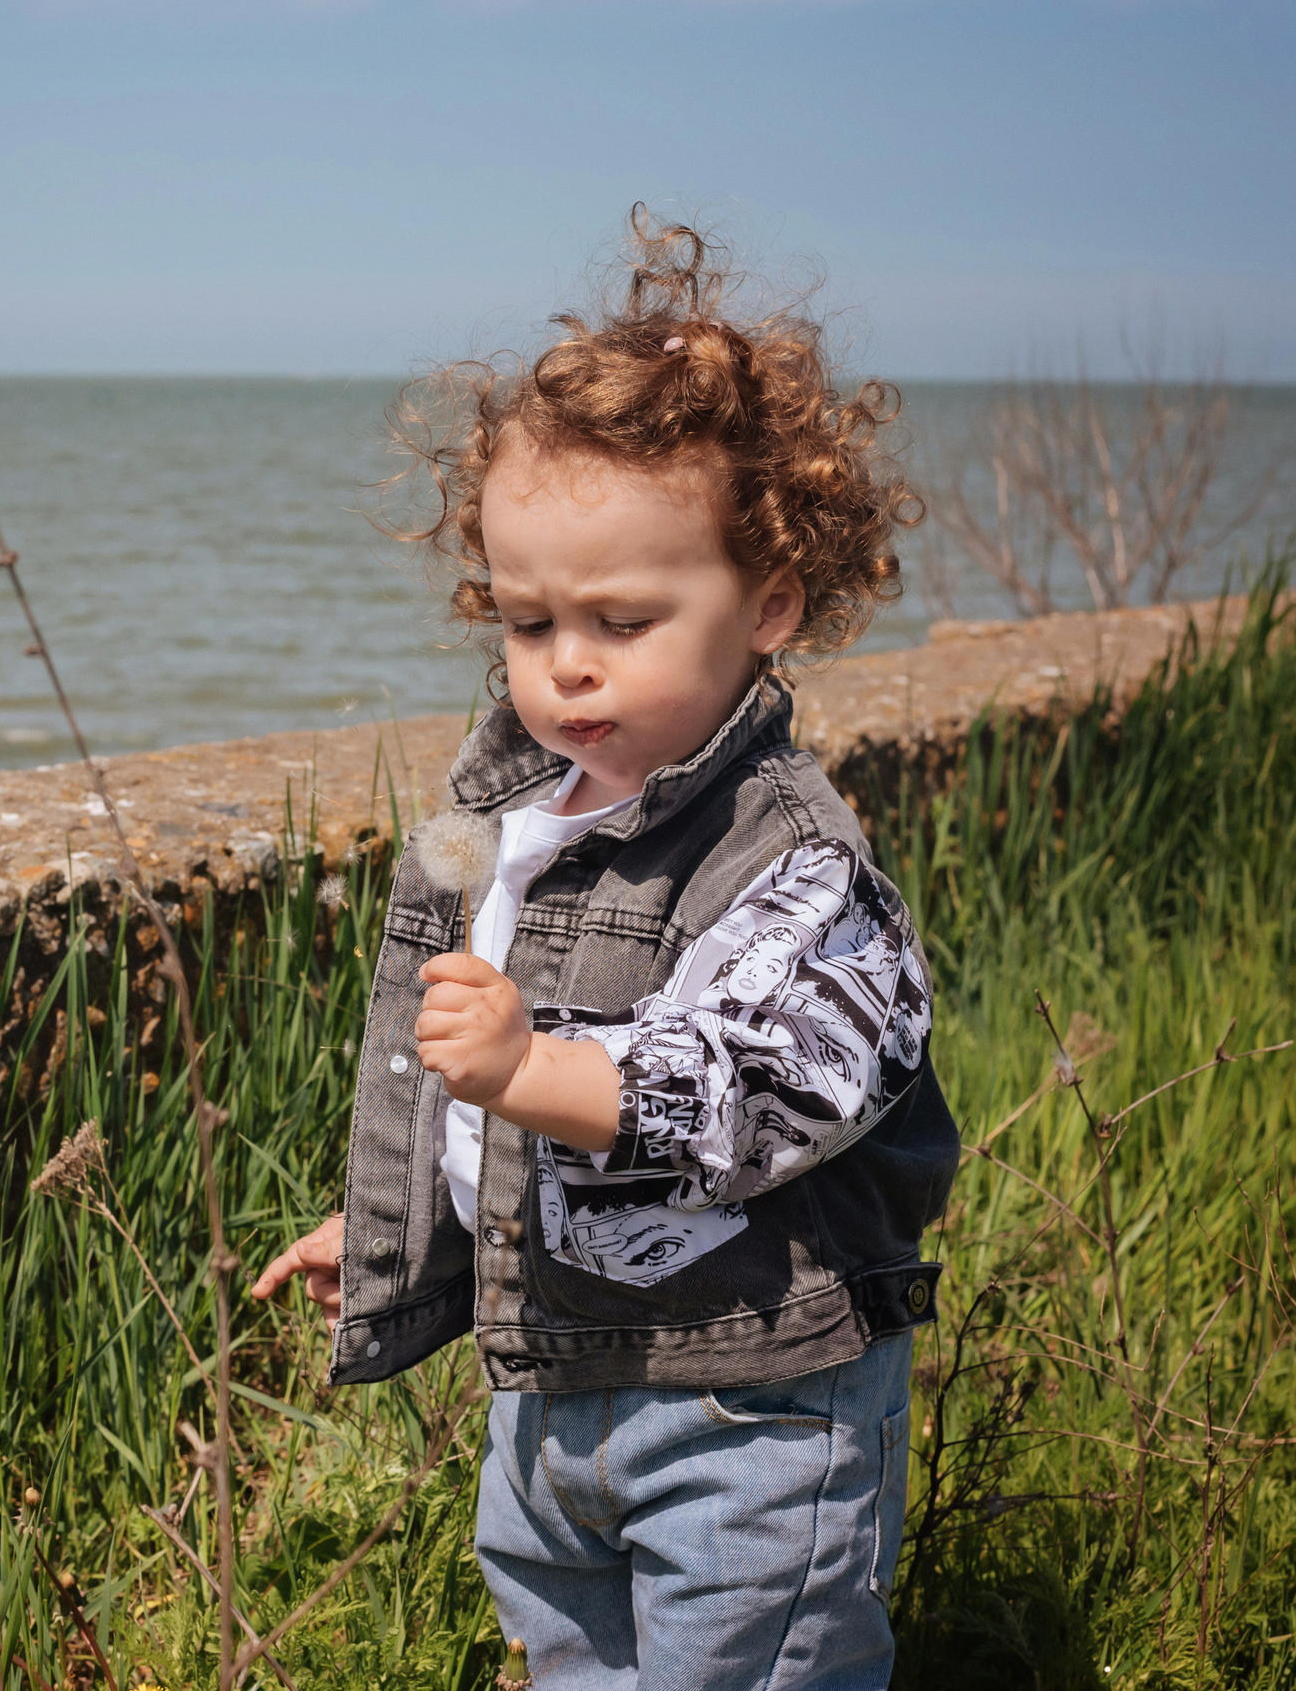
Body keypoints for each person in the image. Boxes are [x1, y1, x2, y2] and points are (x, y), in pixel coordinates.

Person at [250, 212, 960, 1690]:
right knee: (570, 1655)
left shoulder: (796, 860)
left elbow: (758, 1090)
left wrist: (534, 1068)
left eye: (624, 620)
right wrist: (400, 1222)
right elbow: (472, 1092)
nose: (567, 662)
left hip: (749, 1408)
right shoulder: (513, 819)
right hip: (550, 1388)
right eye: (528, 621)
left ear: (770, 604)